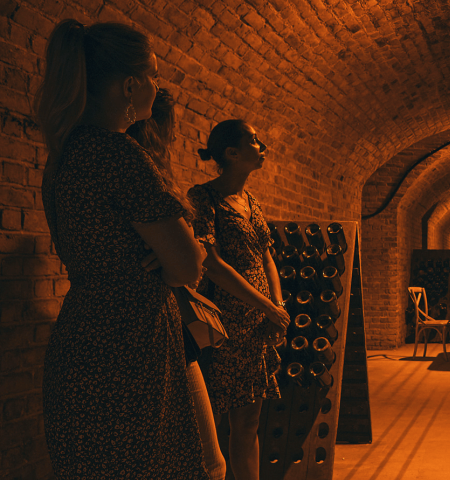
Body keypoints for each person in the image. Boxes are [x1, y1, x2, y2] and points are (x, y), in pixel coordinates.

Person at [34, 19, 209, 478]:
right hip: (131, 343)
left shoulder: (64, 155)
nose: (158, 87)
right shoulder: (118, 153)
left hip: (82, 337)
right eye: (154, 76)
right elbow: (187, 266)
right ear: (130, 86)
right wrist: (174, 259)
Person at [127, 88, 227, 480]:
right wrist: (184, 256)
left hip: (137, 326)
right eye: (171, 127)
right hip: (156, 327)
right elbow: (189, 266)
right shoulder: (134, 166)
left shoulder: (74, 162)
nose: (174, 137)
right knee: (209, 463)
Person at [188, 120, 290, 480]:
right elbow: (212, 264)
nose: (263, 147)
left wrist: (277, 306)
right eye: (254, 141)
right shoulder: (204, 198)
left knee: (248, 422)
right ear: (232, 153)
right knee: (213, 422)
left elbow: (266, 257)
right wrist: (268, 307)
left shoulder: (251, 201)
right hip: (224, 322)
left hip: (257, 325)